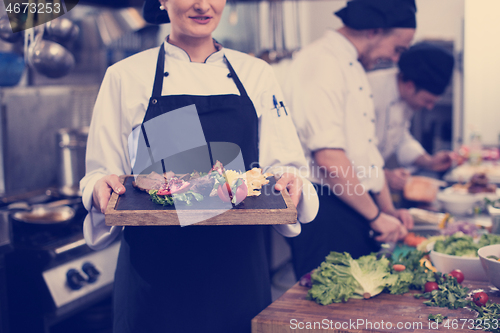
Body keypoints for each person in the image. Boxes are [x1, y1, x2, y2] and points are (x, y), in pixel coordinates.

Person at [80, 0, 319, 332]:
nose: (203, 5)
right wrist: (97, 188)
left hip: (237, 270)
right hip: (156, 273)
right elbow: (99, 172)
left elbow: (287, 167)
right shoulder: (125, 75)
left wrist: (293, 184)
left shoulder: (256, 73)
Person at [283, 0, 416, 280]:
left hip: (354, 204)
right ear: (374, 30)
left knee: (356, 309)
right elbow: (330, 160)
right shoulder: (321, 61)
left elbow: (364, 153)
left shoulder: (352, 63)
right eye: (398, 49)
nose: (395, 60)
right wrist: (376, 216)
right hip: (325, 209)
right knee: (328, 316)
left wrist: (388, 210)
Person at [368, 42, 455, 191]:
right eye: (427, 101)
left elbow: (400, 138)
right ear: (410, 86)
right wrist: (385, 176)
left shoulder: (406, 99)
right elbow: (354, 151)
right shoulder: (370, 90)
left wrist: (429, 161)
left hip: (372, 183)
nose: (430, 107)